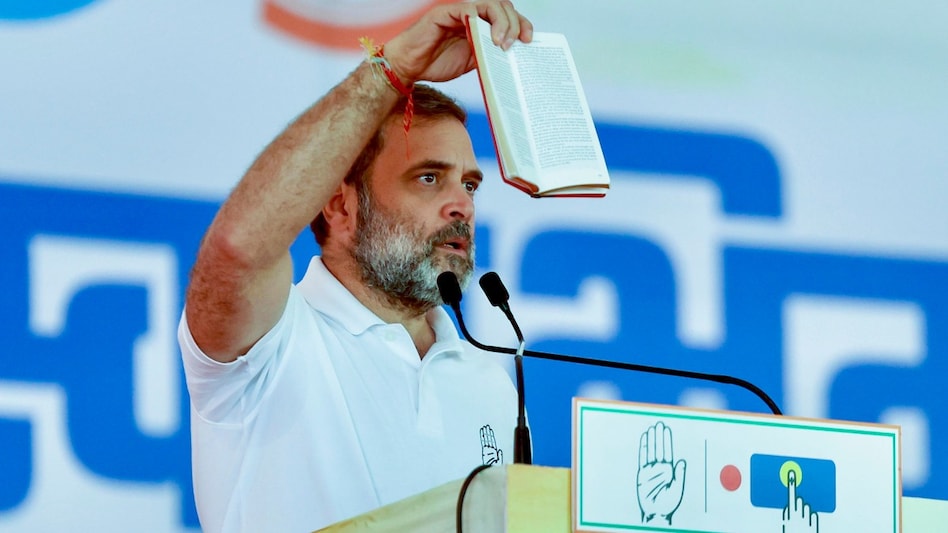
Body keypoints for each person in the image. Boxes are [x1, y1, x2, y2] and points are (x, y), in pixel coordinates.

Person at [177, 1, 534, 531]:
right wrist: (393, 69)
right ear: (340, 205)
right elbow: (236, 248)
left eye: (469, 183)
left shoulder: (490, 380)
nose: (462, 204)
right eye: (429, 178)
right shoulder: (272, 343)